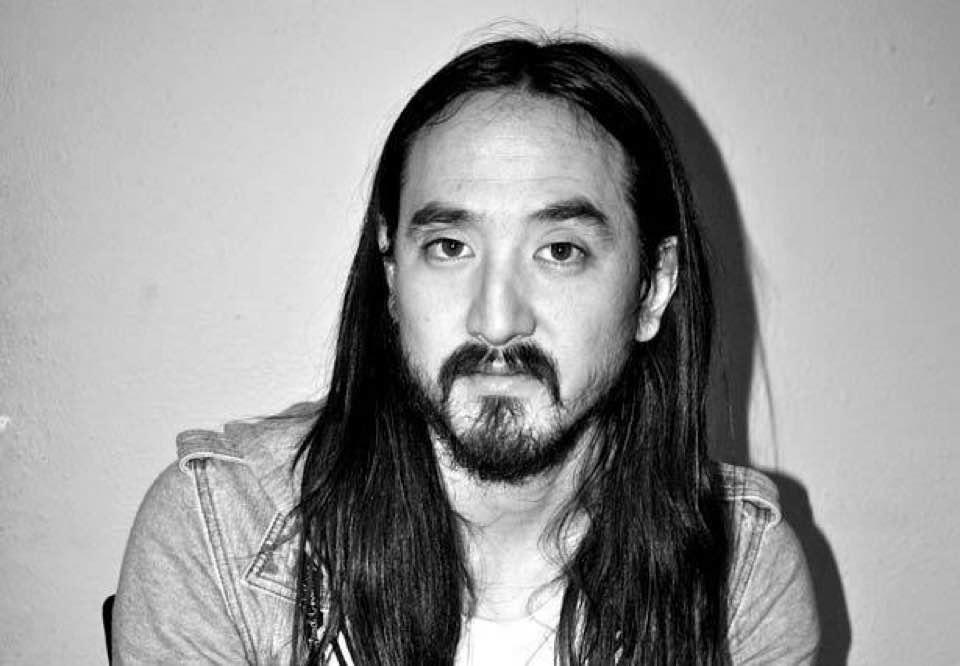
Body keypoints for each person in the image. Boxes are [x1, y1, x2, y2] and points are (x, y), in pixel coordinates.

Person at [114, 35, 819, 665]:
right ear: (392, 276)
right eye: (450, 247)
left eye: (560, 251)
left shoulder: (742, 577)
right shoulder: (218, 533)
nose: (497, 321)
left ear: (652, 289)